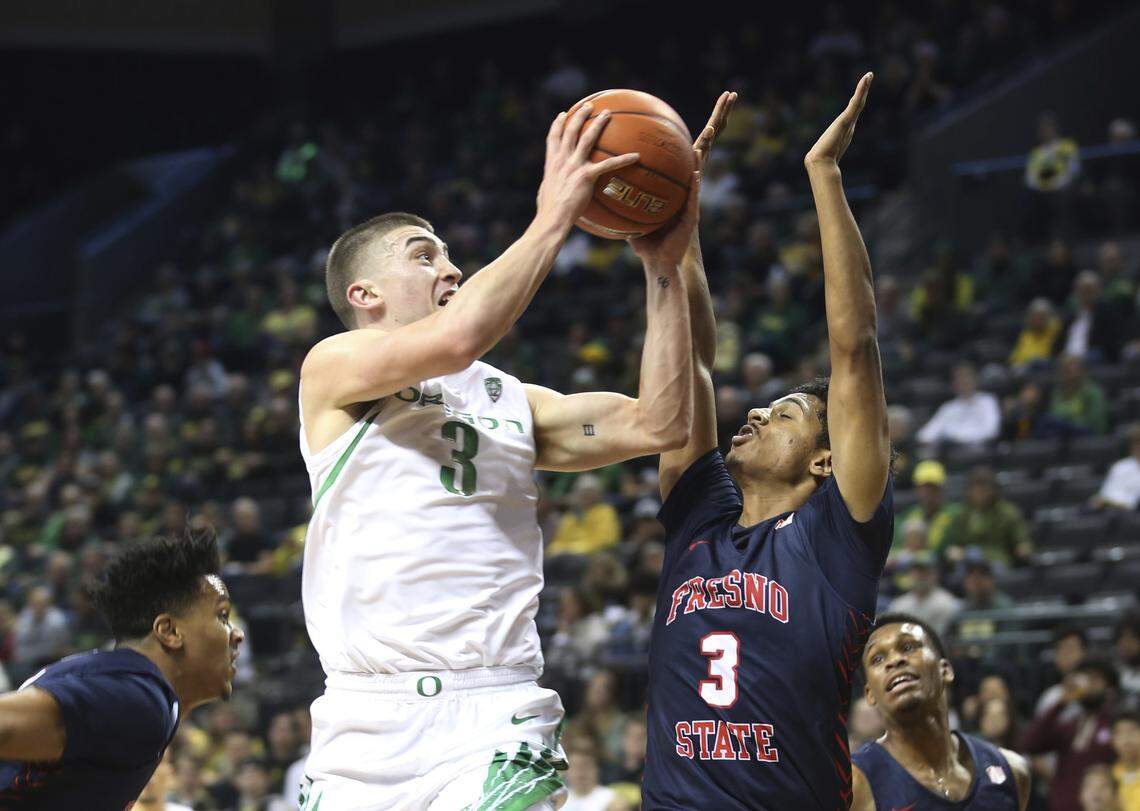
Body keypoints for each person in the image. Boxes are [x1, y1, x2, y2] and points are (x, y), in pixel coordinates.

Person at [297, 99, 702, 809]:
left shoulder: (514, 398)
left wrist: (665, 267)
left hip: (493, 708)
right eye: (424, 255)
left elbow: (663, 421)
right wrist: (552, 215)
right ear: (363, 294)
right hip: (362, 721)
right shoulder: (334, 368)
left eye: (450, 253)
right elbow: (458, 338)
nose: (450, 267)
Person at [644, 76, 895, 809]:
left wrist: (824, 175)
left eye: (785, 413)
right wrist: (676, 222)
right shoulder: (699, 516)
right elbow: (689, 360)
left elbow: (855, 348)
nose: (753, 415)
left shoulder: (835, 534)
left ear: (826, 457)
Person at [0, 531, 244, 809]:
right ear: (170, 631)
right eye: (222, 615)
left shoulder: (127, 688)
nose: (237, 634)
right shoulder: (136, 698)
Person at [851, 614, 1031, 811]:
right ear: (870, 694)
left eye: (908, 647)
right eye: (877, 658)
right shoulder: (854, 784)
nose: (894, 661)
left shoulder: (1013, 771)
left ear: (945, 670)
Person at [1022, 655, 1120, 811]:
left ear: (1109, 687)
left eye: (1094, 679)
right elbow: (1030, 744)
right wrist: (1061, 702)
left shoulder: (1115, 724)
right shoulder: (1071, 725)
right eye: (1084, 678)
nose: (1087, 685)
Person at [916, 362, 1002, 447]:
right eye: (959, 378)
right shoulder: (948, 407)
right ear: (954, 384)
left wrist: (956, 437)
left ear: (975, 380)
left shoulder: (987, 401)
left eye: (966, 377)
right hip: (953, 452)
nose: (963, 381)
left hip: (981, 451)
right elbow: (925, 435)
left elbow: (992, 431)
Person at [887, 552, 962, 638]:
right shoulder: (899, 605)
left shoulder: (948, 603)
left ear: (935, 573)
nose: (921, 576)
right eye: (917, 572)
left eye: (925, 572)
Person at [1093, 423, 1140, 511]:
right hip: (1113, 509)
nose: (1138, 447)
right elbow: (1105, 494)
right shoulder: (1120, 466)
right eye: (1136, 443)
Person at [1113, 710, 1140, 811]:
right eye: (1120, 733)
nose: (1126, 737)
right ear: (1113, 740)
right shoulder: (1109, 777)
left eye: (1132, 730)